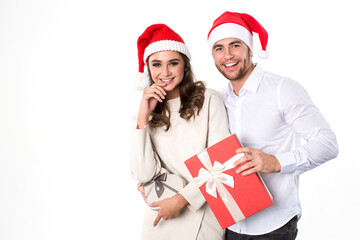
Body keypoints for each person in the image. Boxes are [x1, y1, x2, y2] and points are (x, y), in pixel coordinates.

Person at [207, 11, 339, 239]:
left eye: (235, 45)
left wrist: (276, 162)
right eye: (219, 48)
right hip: (229, 224)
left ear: (250, 49)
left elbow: (327, 144)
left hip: (274, 226)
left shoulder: (282, 89)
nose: (227, 55)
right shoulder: (217, 99)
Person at [129, 24, 230, 240]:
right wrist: (142, 117)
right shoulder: (144, 116)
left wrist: (181, 200)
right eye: (157, 64)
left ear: (185, 66)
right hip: (160, 219)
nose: (164, 73)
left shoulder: (208, 100)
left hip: (202, 214)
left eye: (173, 63)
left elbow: (221, 163)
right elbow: (144, 174)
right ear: (149, 69)